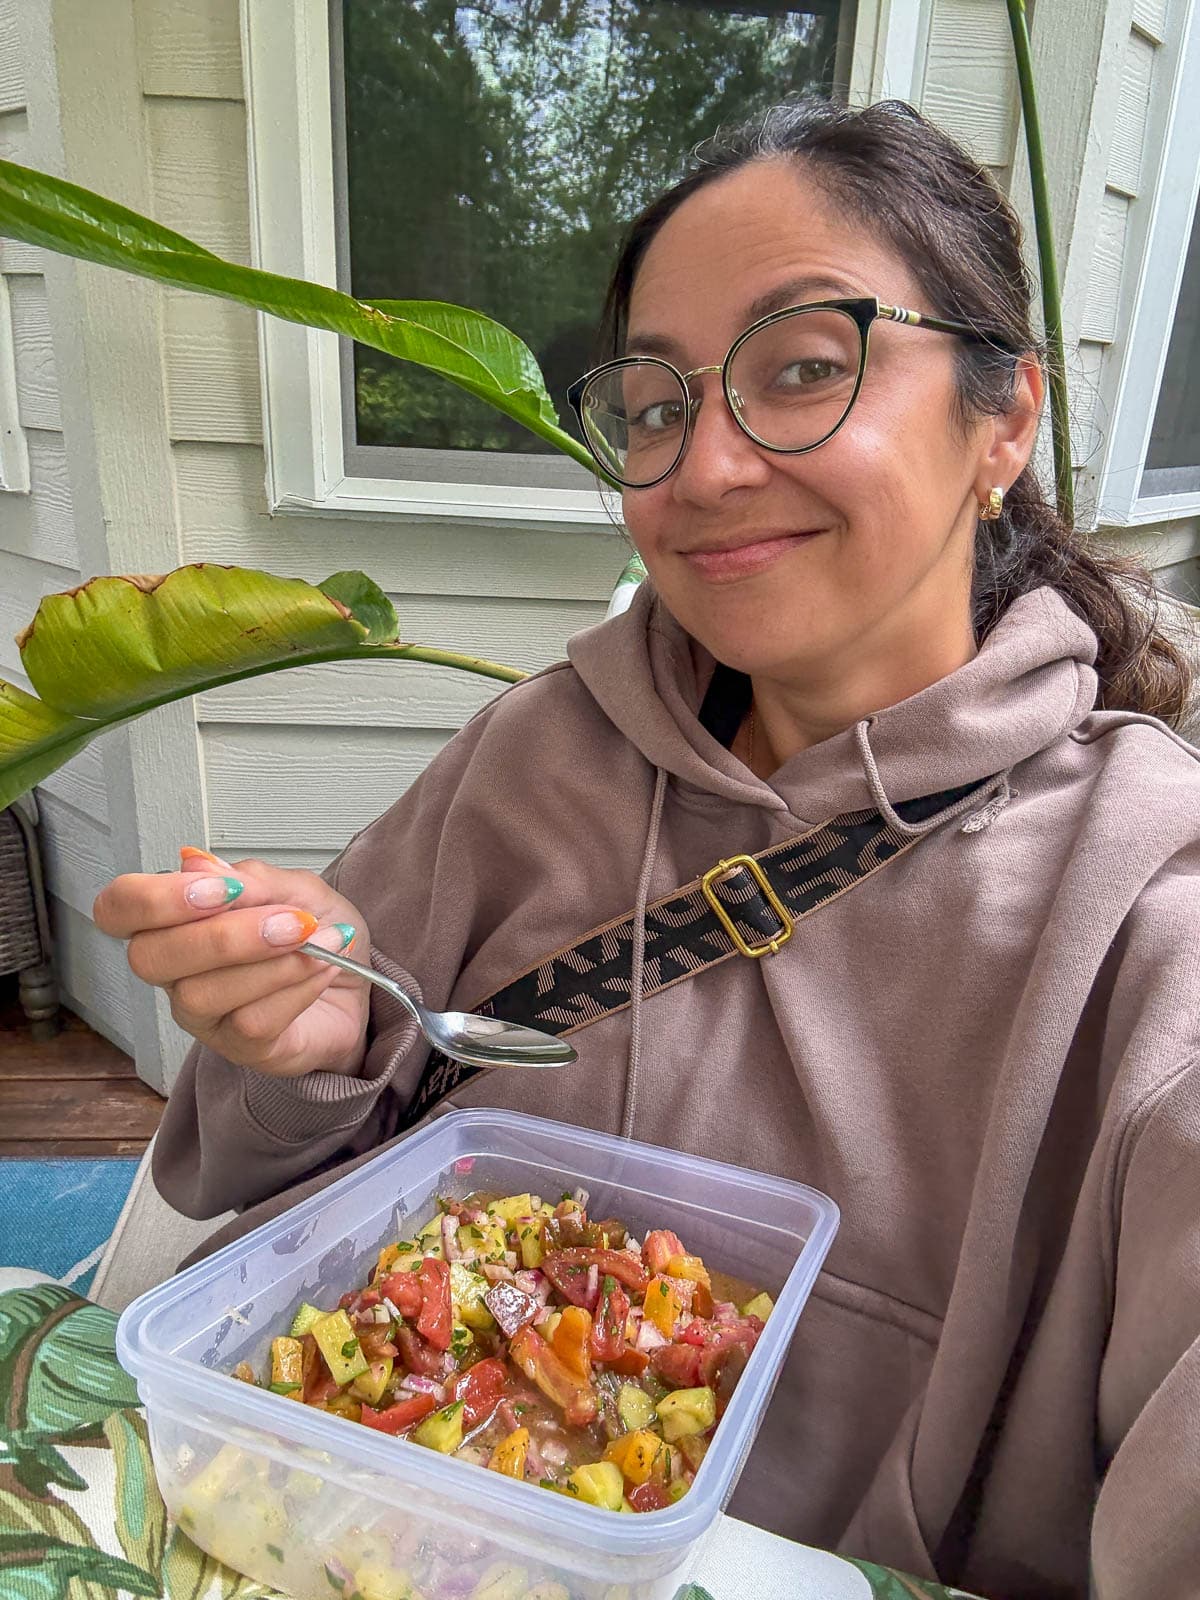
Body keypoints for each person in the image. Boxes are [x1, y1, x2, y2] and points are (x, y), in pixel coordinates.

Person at [93, 99, 1200, 1600]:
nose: (708, 466)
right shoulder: (537, 753)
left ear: (1002, 422)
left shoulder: (1146, 898)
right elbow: (255, 1176)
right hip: (351, 1522)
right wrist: (313, 1042)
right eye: (660, 403)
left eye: (804, 368)